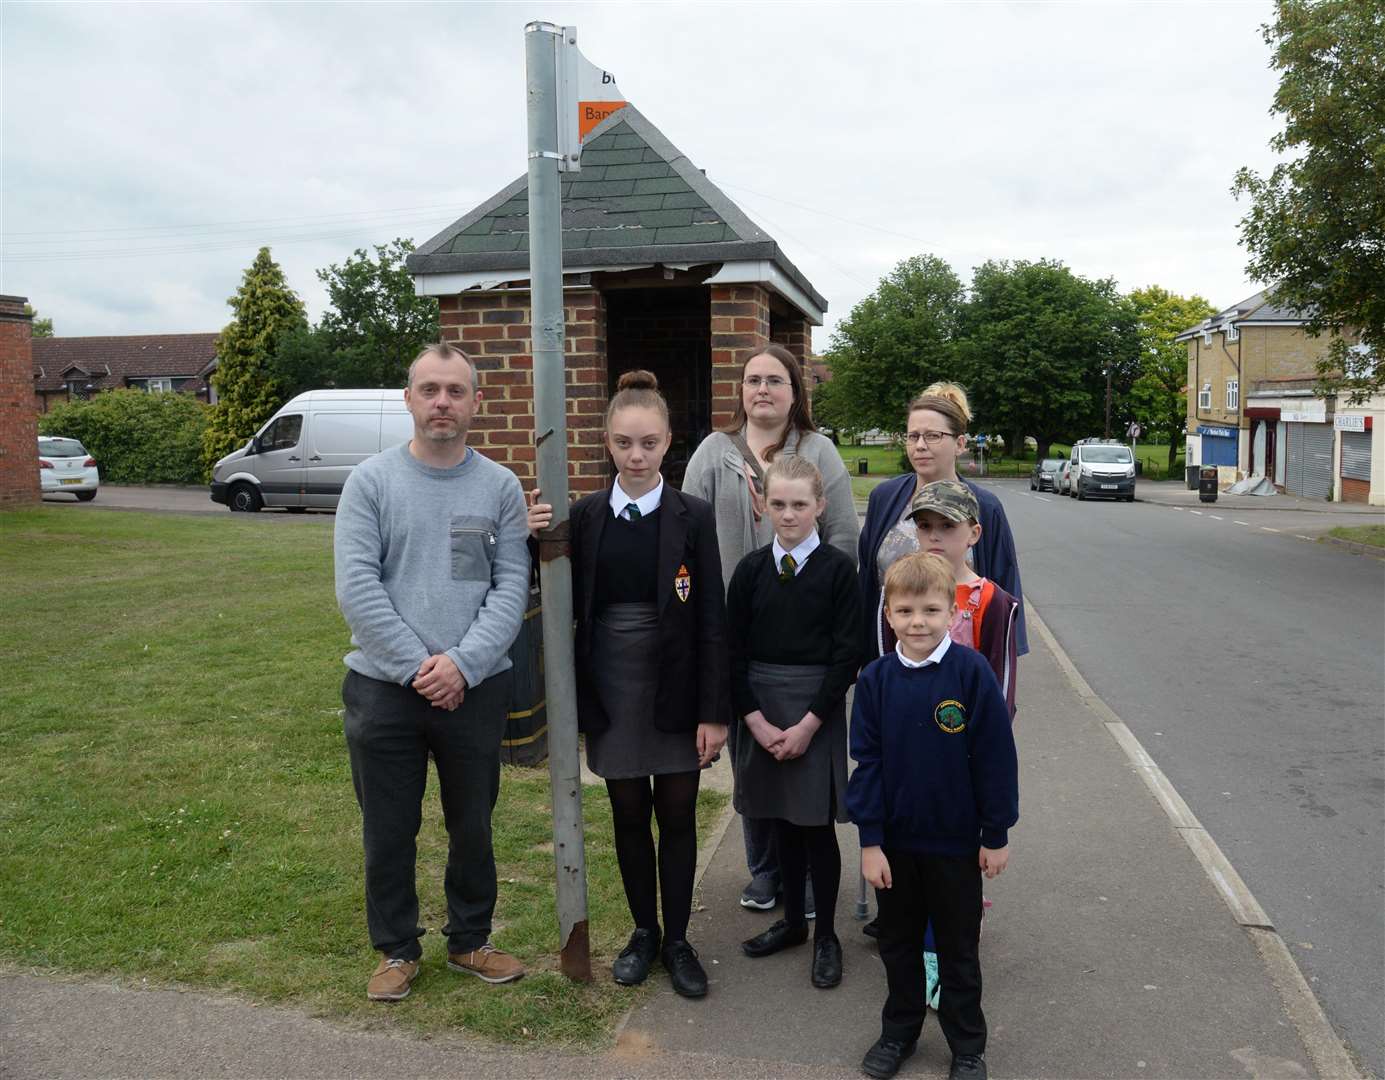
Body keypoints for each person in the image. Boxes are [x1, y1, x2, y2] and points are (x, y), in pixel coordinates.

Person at [334, 343, 529, 1003]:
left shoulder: (499, 487)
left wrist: (462, 666)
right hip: (384, 691)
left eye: (454, 390)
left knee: (472, 822)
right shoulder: (370, 483)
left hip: (473, 691)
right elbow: (357, 587)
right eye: (429, 389)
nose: (441, 402)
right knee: (388, 828)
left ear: (475, 401)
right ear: (409, 399)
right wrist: (422, 668)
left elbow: (509, 589)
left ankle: (471, 939)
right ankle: (395, 948)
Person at [560, 369, 729, 998]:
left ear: (668, 443)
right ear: (607, 441)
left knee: (678, 813)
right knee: (628, 812)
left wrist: (715, 711)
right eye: (626, 443)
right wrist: (531, 534)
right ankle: (643, 932)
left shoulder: (694, 516)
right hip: (613, 684)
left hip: (678, 686)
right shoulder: (584, 516)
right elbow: (559, 598)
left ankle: (680, 939)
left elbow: (712, 615)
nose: (637, 455)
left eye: (650, 443)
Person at [683, 343, 859, 916]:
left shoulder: (819, 451)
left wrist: (817, 602)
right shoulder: (713, 452)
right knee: (752, 756)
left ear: (794, 391)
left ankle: (807, 877)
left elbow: (843, 538)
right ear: (740, 390)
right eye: (753, 379)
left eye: (775, 380)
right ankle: (764, 871)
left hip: (806, 640)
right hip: (738, 628)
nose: (763, 389)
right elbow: (689, 537)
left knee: (805, 769)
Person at [856, 382, 1025, 939]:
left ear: (958, 442)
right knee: (897, 780)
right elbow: (868, 583)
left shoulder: (985, 507)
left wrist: (997, 709)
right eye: (913, 435)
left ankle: (952, 912)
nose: (921, 446)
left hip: (961, 681)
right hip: (897, 667)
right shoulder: (886, 498)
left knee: (952, 791)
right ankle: (900, 904)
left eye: (933, 436)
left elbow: (998, 591)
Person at [846, 553, 1018, 1080]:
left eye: (930, 609)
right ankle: (899, 1031)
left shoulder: (970, 673)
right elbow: (867, 763)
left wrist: (996, 833)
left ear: (951, 612)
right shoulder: (875, 680)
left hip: (956, 844)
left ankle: (968, 1044)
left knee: (958, 947)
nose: (917, 622)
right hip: (896, 846)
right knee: (898, 945)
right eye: (905, 611)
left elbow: (995, 755)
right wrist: (870, 841)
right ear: (888, 615)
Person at [726, 456, 861, 989]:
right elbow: (732, 653)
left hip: (814, 711)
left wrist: (808, 725)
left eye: (799, 505)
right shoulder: (750, 571)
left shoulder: (836, 572)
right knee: (778, 820)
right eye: (778, 504)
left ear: (820, 507)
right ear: (763, 504)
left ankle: (824, 932)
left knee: (814, 826)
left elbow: (846, 655)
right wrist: (754, 721)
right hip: (762, 709)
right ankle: (790, 925)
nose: (788, 515)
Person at [908, 479, 1019, 718]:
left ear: (974, 533)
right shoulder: (901, 591)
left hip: (965, 733)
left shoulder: (992, 600)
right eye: (925, 526)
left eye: (947, 526)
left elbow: (1000, 683)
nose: (934, 536)